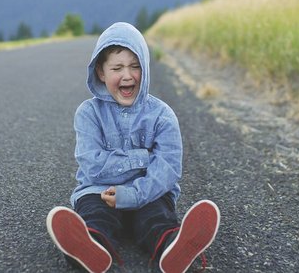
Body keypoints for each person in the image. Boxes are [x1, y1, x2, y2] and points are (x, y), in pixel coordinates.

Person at [46, 22, 220, 273]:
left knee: (156, 219)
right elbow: (93, 166)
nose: (127, 75)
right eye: (117, 67)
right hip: (100, 192)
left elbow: (168, 169)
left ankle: (174, 246)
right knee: (95, 216)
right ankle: (90, 248)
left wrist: (133, 194)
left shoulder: (162, 116)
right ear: (101, 72)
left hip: (149, 193)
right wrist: (143, 158)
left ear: (146, 70)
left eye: (135, 66)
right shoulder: (88, 113)